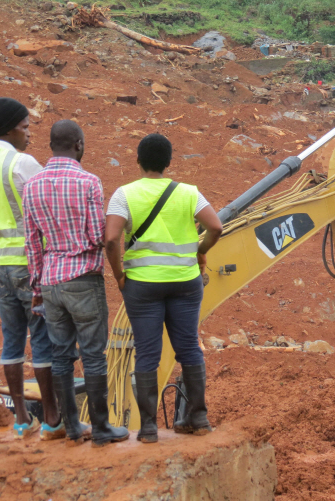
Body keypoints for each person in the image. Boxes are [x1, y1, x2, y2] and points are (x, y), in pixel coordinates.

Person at [105, 133, 222, 443]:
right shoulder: (188, 193)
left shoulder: (123, 194)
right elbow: (216, 227)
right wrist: (200, 251)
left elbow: (111, 239)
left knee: (147, 354)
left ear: (139, 161)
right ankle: (198, 417)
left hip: (142, 287)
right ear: (169, 162)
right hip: (185, 283)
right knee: (188, 348)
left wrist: (119, 275)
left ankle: (147, 428)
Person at [23, 120, 129, 447]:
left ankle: (71, 427)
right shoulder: (89, 182)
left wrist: (37, 291)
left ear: (51, 145)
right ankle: (100, 429)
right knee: (94, 355)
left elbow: (32, 244)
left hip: (50, 280)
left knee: (61, 356)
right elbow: (98, 236)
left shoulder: (32, 185)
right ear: (79, 145)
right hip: (83, 278)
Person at [0, 97, 61, 439]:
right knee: (42, 338)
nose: (28, 134)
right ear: (9, 130)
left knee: (11, 340)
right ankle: (51, 417)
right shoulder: (22, 164)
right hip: (29, 264)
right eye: (24, 127)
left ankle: (22, 419)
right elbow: (47, 208)